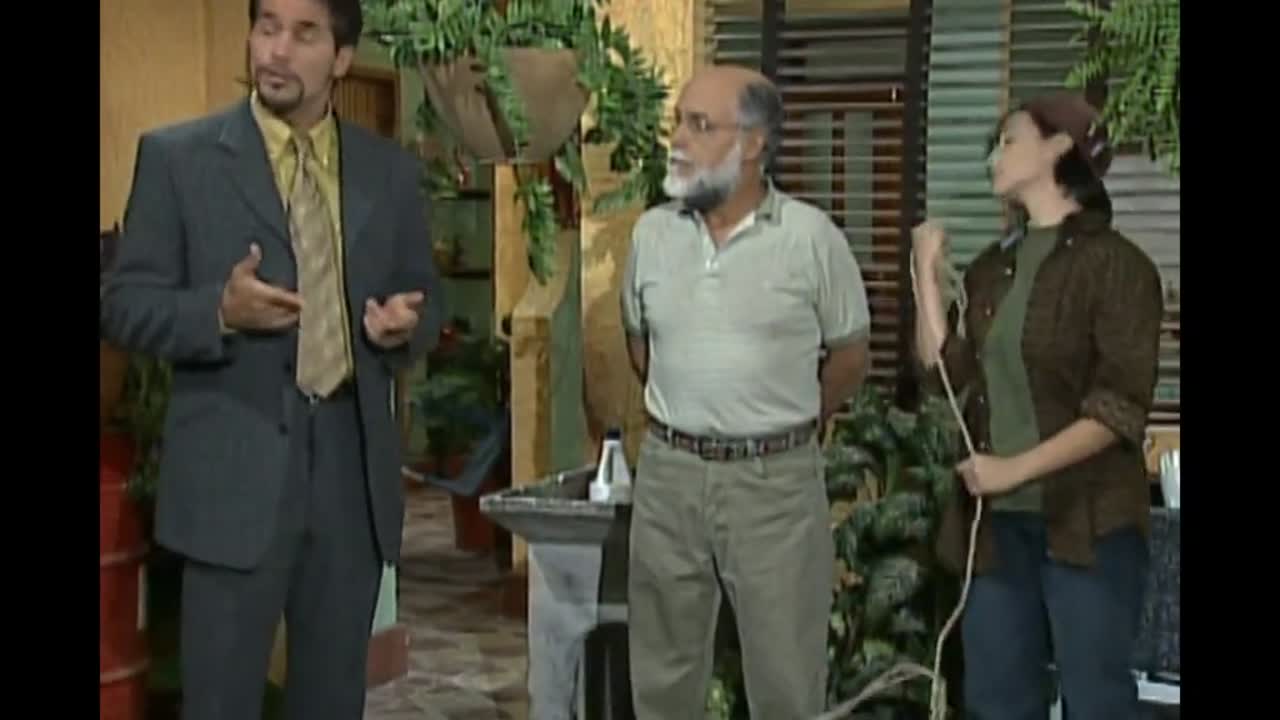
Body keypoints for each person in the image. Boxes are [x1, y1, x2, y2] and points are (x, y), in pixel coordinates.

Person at [99, 1, 444, 717]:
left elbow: (425, 299)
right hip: (232, 475)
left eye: (304, 33)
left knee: (332, 702)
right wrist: (217, 312)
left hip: (349, 481)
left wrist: (402, 327)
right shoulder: (179, 160)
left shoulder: (387, 172)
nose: (277, 50)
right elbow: (124, 302)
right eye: (267, 27)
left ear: (341, 58)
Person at [620, 65, 871, 718]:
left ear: (754, 144)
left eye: (700, 125)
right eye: (678, 122)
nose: (678, 139)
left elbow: (849, 359)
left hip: (773, 487)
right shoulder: (651, 235)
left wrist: (784, 422)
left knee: (785, 678)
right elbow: (642, 349)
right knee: (662, 676)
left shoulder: (811, 239)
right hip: (669, 478)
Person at [912, 92, 1163, 719]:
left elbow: (1118, 409)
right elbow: (943, 373)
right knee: (995, 700)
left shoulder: (1119, 266)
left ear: (1058, 147)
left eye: (1009, 140)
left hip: (1089, 525)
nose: (993, 156)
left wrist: (1012, 470)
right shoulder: (993, 268)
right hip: (996, 531)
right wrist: (924, 275)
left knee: (1096, 701)